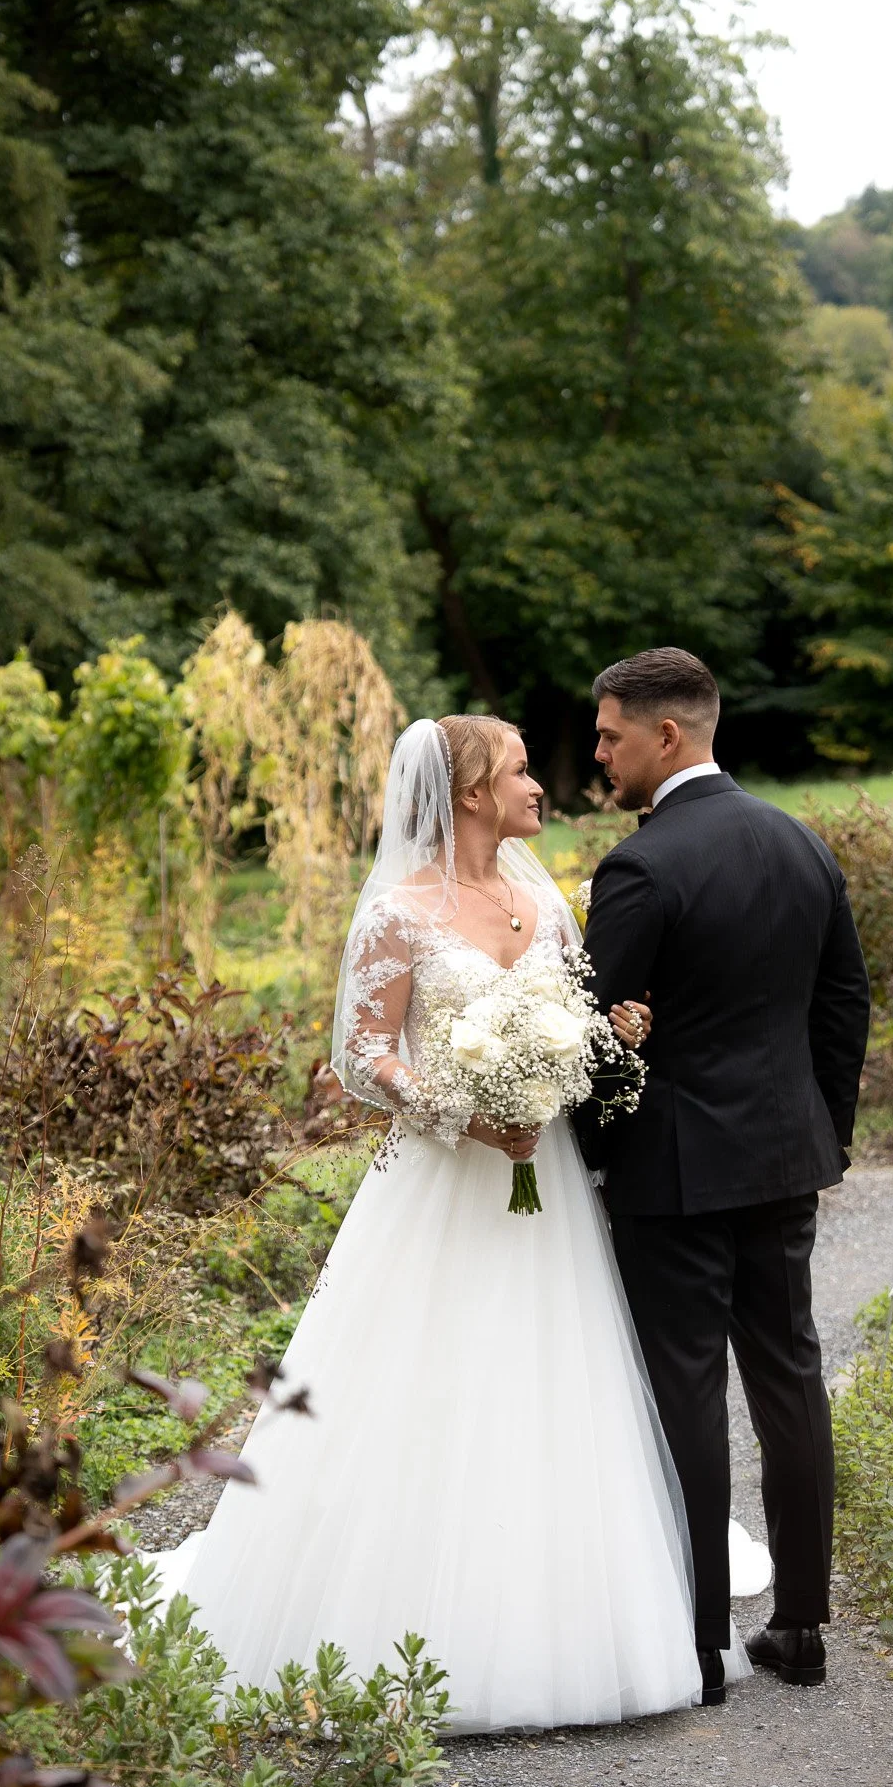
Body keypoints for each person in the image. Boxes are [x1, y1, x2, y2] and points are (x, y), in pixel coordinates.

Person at [145, 713, 759, 1731]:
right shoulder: (397, 912)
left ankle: (556, 1615)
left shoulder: (543, 901)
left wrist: (600, 1042)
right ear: (470, 789)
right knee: (418, 1381)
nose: (539, 784)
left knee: (547, 1378)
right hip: (437, 1180)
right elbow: (361, 1053)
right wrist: (460, 1109)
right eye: (520, 768)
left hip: (543, 1185)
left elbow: (577, 1017)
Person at [578, 648, 871, 1693]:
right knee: (791, 1377)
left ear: (668, 735)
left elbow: (586, 1039)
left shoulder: (641, 867)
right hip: (785, 1158)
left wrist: (589, 1159)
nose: (598, 751)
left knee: (687, 1390)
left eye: (611, 733)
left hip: (675, 1174)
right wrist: (816, 1132)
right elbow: (844, 1008)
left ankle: (698, 1644)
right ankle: (798, 1628)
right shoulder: (802, 843)